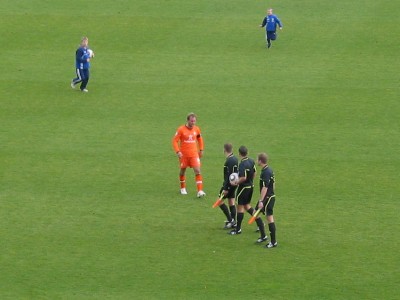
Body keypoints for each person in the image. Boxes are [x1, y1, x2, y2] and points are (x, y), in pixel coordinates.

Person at [229, 146, 266, 241]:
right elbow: (254, 172)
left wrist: (236, 182)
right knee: (247, 206)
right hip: (250, 186)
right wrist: (250, 181)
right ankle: (260, 223)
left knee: (240, 207)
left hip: (243, 188)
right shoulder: (251, 161)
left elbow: (243, 177)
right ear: (247, 152)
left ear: (239, 153)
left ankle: (238, 229)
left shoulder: (242, 164)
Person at [172, 113, 206, 197]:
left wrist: (201, 149)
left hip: (194, 154)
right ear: (187, 120)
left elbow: (200, 139)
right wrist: (178, 151)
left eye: (194, 121)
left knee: (197, 171)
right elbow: (174, 141)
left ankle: (200, 191)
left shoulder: (197, 129)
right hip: (183, 155)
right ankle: (182, 188)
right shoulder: (181, 129)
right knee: (183, 170)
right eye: (191, 121)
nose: (193, 123)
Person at [257, 153, 278, 248]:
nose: (257, 161)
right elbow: (273, 185)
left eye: (258, 159)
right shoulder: (269, 170)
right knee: (255, 213)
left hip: (267, 199)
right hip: (268, 197)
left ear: (260, 161)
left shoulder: (265, 172)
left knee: (270, 219)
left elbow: (265, 187)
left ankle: (273, 242)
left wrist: (261, 201)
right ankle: (263, 236)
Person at [216, 143, 238, 229]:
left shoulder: (229, 161)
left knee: (219, 201)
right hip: (234, 184)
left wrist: (226, 188)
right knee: (231, 201)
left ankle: (231, 220)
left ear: (224, 150)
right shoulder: (235, 158)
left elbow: (229, 176)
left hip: (229, 185)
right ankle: (234, 221)